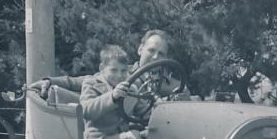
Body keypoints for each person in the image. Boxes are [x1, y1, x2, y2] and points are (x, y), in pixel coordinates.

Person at [34, 28, 188, 101]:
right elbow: (82, 82)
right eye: (151, 50)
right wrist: (50, 81)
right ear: (140, 49)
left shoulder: (175, 86)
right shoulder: (121, 73)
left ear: (166, 58)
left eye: (161, 54)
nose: (155, 57)